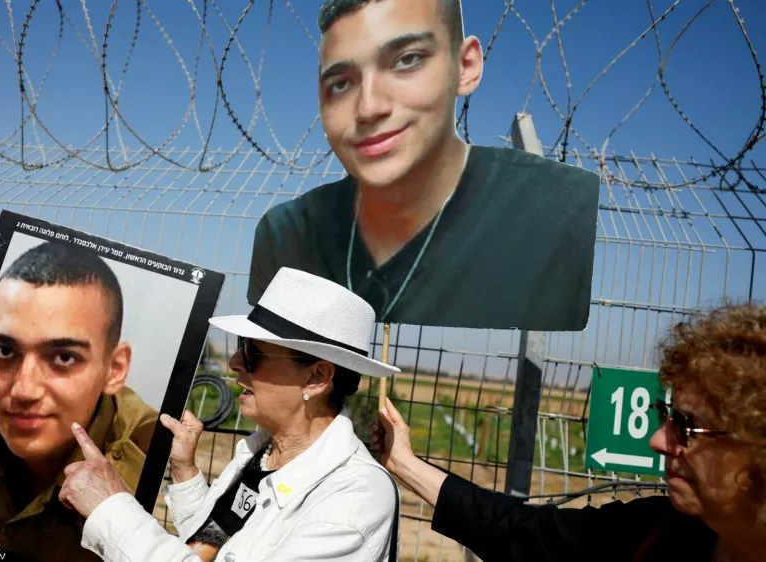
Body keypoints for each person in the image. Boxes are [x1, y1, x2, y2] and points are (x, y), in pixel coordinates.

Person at [247, 0, 600, 331]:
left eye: (406, 60)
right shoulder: (287, 236)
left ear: (465, 67)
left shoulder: (553, 215)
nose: (368, 108)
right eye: (341, 83)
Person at [371, 301, 766, 561]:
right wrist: (403, 464)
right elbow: (521, 533)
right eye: (666, 416)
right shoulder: (652, 533)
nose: (657, 440)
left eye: (685, 426)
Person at [58, 267, 402, 562]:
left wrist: (111, 509)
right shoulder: (264, 454)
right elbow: (215, 544)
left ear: (316, 377)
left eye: (253, 352)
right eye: (241, 344)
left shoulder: (354, 498)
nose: (235, 362)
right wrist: (184, 471)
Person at [0, 241, 160, 562]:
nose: (24, 390)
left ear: (114, 370)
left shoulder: (145, 450)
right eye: (5, 351)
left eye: (63, 357)